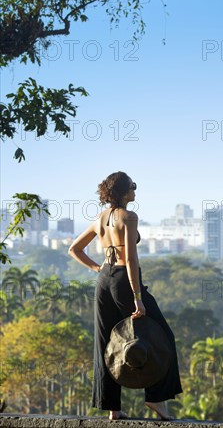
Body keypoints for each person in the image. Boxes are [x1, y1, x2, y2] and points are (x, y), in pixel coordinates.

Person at [68, 171, 183, 420]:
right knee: (160, 335)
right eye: (133, 186)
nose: (135, 190)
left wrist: (99, 269)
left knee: (106, 342)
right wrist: (137, 297)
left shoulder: (101, 217)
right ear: (123, 191)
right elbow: (130, 258)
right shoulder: (129, 217)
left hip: (104, 280)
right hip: (124, 280)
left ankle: (113, 408)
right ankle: (156, 399)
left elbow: (74, 249)